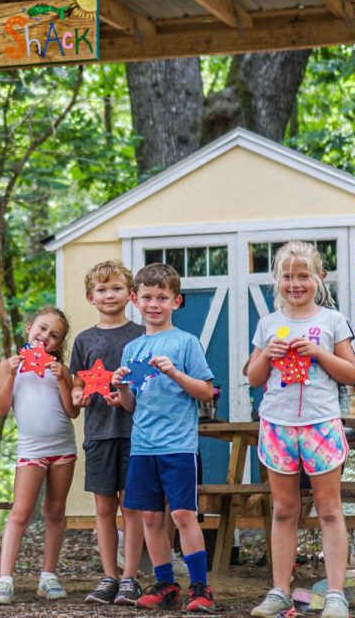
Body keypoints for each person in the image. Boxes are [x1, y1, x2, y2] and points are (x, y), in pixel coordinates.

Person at [247, 241, 355, 618]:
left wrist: (319, 354)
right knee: (283, 510)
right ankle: (279, 590)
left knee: (329, 509)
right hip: (277, 424)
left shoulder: (331, 321)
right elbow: (253, 377)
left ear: (318, 278)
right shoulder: (267, 324)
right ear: (276, 280)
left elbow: (352, 373)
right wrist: (266, 354)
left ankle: (337, 594)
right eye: (288, 276)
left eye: (303, 276)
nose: (295, 283)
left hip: (321, 424)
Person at [112, 262, 217, 613]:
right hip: (143, 447)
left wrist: (174, 372)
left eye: (162, 297)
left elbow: (205, 391)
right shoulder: (131, 349)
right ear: (134, 300)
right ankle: (164, 584)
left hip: (179, 447)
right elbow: (129, 405)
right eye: (147, 297)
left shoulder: (186, 343)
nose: (154, 304)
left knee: (183, 516)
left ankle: (200, 588)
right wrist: (121, 386)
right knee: (151, 518)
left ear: (176, 301)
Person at [68, 260, 146, 606]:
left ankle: (130, 577)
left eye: (116, 288)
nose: (109, 295)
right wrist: (80, 397)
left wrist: (129, 397)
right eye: (102, 289)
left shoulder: (142, 335)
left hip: (135, 434)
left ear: (129, 295)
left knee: (131, 507)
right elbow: (75, 388)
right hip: (99, 433)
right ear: (90, 297)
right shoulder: (84, 340)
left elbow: (149, 385)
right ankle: (108, 576)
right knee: (103, 508)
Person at [0, 307, 79, 605]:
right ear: (29, 327)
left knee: (55, 511)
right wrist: (12, 375)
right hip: (31, 450)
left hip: (63, 448)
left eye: (54, 336)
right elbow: (0, 409)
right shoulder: (8, 365)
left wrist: (64, 380)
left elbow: (72, 411)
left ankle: (48, 576)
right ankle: (4, 579)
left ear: (59, 343)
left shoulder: (60, 369)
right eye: (41, 329)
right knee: (20, 512)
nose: (45, 338)